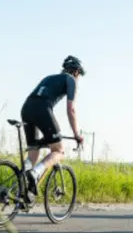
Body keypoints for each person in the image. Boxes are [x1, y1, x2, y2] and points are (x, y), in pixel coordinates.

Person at [21, 55, 85, 195]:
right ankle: (36, 172)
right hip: (42, 109)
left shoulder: (49, 77)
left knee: (34, 151)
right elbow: (71, 109)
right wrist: (77, 134)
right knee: (59, 150)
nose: (78, 77)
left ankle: (21, 187)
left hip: (26, 108)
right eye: (79, 74)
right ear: (76, 71)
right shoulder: (71, 80)